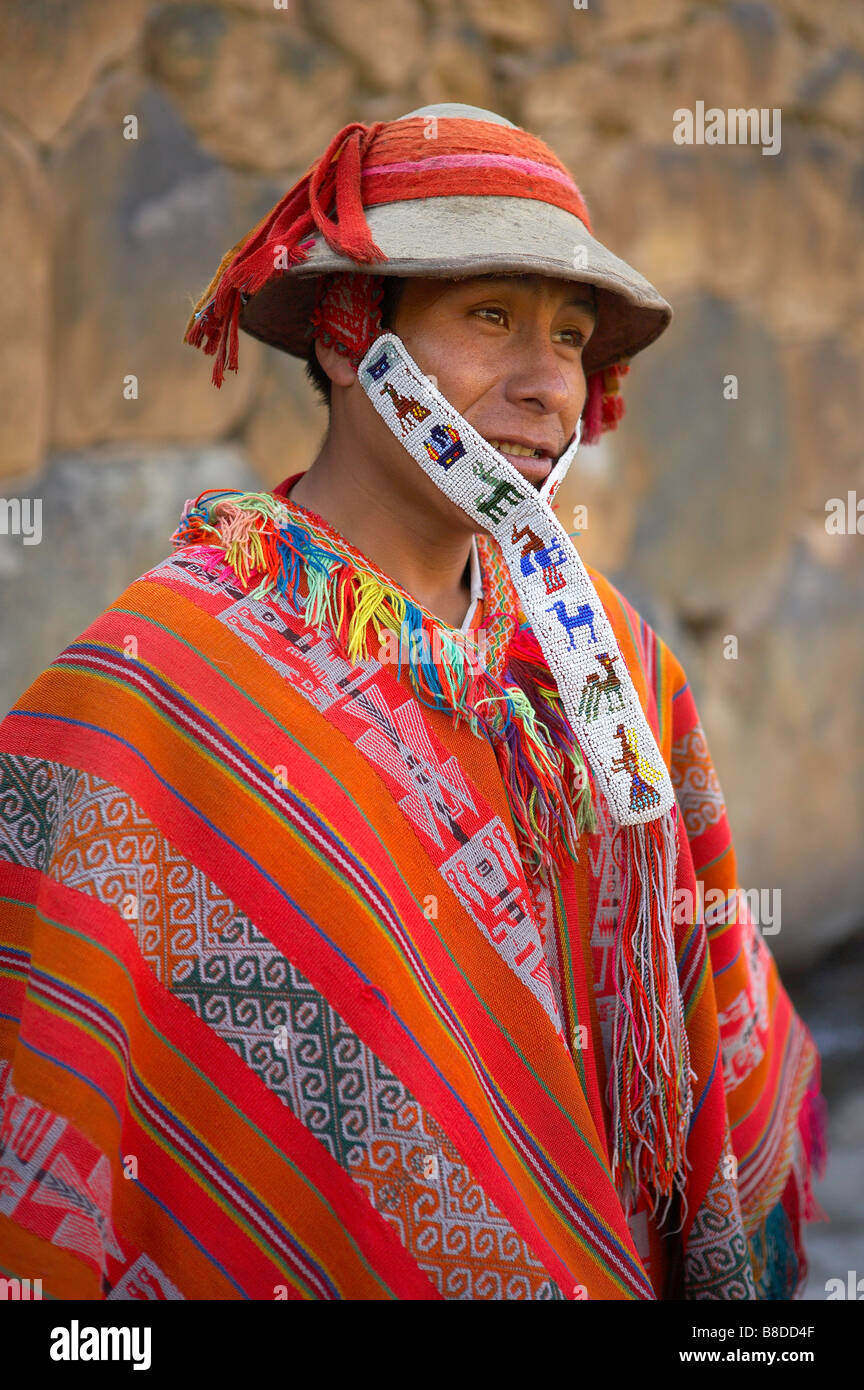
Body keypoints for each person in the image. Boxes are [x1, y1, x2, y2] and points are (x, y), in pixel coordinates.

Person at [0, 103, 824, 1301]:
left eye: (572, 334)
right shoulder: (163, 689)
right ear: (347, 336)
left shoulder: (616, 672)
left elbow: (701, 1038)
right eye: (491, 316)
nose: (551, 385)